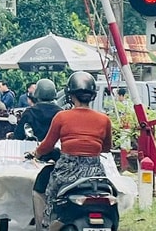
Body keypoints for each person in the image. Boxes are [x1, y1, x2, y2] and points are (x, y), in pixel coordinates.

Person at [31, 71, 113, 230]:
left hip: (66, 171)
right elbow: (107, 148)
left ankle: (45, 224)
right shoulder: (104, 120)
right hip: (95, 173)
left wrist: (36, 153)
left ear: (70, 94)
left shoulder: (62, 117)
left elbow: (47, 145)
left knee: (45, 191)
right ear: (92, 95)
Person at [12, 79, 62, 231]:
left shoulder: (30, 112)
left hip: (36, 156)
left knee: (39, 189)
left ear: (37, 94)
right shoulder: (61, 113)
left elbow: (19, 136)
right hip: (57, 156)